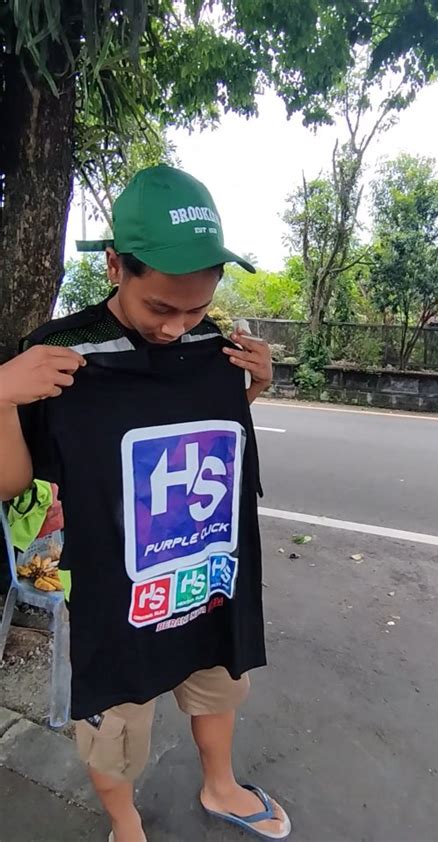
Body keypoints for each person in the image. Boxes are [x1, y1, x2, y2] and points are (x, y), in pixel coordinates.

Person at [0, 165, 291, 842]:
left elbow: (206, 444)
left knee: (217, 681)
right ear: (115, 266)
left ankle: (220, 784)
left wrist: (251, 390)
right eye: (161, 307)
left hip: (206, 572)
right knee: (116, 725)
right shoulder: (62, 353)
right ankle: (125, 824)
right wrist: (3, 396)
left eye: (196, 308)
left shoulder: (213, 348)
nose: (176, 327)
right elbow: (11, 485)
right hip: (117, 592)